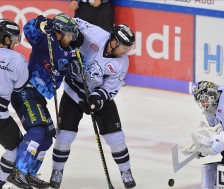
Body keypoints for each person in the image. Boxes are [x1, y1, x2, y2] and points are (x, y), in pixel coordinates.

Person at [49, 18, 136, 189]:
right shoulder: (95, 34)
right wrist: (76, 36)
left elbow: (111, 88)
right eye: (124, 47)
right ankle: (57, 171)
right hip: (74, 91)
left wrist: (96, 100)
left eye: (129, 48)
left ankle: (126, 171)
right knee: (64, 136)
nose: (126, 51)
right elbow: (71, 21)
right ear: (113, 41)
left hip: (97, 97)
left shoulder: (122, 62)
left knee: (116, 137)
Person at [7, 13, 81, 189]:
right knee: (38, 131)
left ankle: (29, 174)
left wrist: (78, 66)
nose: (71, 38)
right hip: (26, 92)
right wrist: (41, 21)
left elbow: (78, 68)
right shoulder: (45, 40)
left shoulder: (69, 51)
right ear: (59, 33)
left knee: (47, 138)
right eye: (68, 34)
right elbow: (28, 29)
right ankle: (18, 171)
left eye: (72, 35)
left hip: (40, 98)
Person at [0, 19, 28, 188]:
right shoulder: (18, 59)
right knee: (15, 149)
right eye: (15, 38)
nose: (17, 41)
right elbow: (19, 86)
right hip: (0, 116)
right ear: (7, 39)